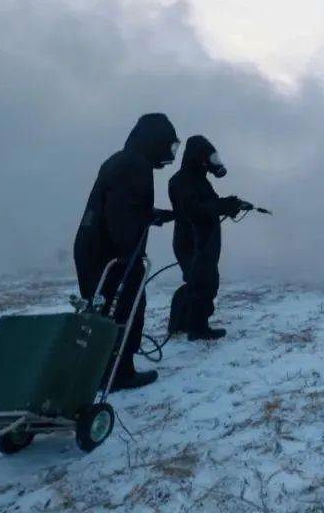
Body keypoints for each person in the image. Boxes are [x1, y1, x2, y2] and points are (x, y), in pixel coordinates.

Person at [74, 113, 179, 390]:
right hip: (112, 254)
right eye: (168, 146)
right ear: (154, 141)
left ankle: (100, 370)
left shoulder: (120, 160)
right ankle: (120, 374)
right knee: (126, 307)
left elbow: (122, 206)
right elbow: (121, 218)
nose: (170, 154)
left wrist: (151, 215)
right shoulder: (136, 166)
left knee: (100, 311)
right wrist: (131, 251)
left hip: (91, 247)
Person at [168, 136, 250, 341]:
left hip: (204, 240)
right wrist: (225, 207)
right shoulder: (180, 181)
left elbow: (211, 204)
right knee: (202, 283)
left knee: (200, 282)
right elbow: (195, 209)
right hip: (191, 242)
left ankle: (183, 324)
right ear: (200, 158)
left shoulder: (199, 180)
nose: (214, 162)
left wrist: (233, 203)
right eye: (210, 157)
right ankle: (197, 329)